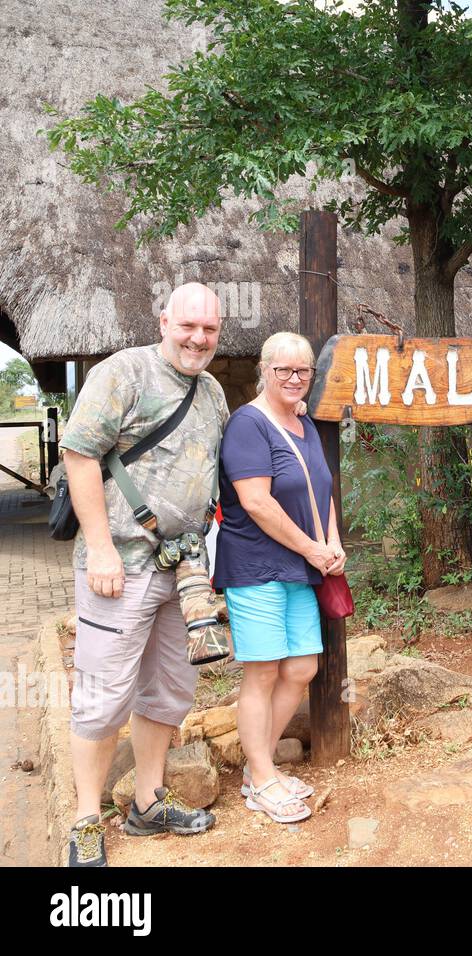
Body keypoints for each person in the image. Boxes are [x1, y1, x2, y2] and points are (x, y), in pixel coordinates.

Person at [62, 283, 228, 867]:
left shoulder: (211, 392)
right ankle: (85, 819)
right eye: (188, 326)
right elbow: (79, 452)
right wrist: (102, 549)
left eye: (209, 329)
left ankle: (149, 801)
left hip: (182, 571)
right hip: (121, 568)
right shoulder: (124, 373)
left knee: (169, 691)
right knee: (103, 695)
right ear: (164, 321)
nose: (198, 338)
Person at [213, 332, 344, 823]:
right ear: (264, 371)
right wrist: (313, 549)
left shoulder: (303, 424)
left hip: (301, 564)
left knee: (302, 667)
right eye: (284, 370)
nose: (294, 378)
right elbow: (256, 502)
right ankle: (264, 779)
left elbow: (320, 490)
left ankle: (257, 768)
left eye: (303, 370)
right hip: (255, 567)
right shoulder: (248, 425)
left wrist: (331, 543)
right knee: (263, 671)